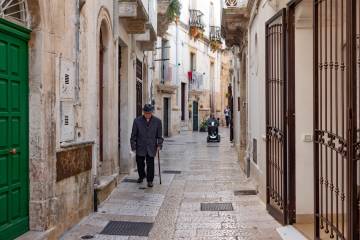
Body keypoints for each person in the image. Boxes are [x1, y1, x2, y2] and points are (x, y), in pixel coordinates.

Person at [130, 104, 164, 187]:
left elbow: (159, 136)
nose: (147, 114)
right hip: (140, 146)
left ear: (152, 113)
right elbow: (133, 135)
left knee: (150, 164)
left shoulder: (158, 121)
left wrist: (159, 144)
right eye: (146, 113)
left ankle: (150, 180)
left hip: (151, 147)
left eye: (149, 113)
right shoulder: (137, 121)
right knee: (140, 164)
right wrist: (133, 146)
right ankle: (141, 176)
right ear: (143, 112)